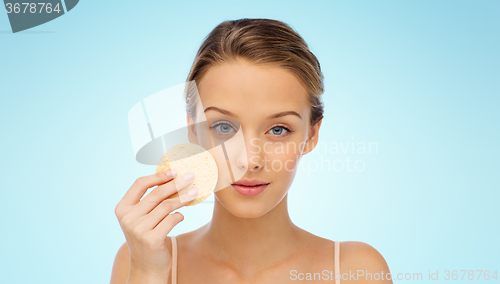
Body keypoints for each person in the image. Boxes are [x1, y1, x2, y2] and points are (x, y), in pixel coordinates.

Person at [110, 18, 392, 284]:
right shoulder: (140, 259)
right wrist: (148, 273)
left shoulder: (356, 271)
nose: (249, 160)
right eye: (223, 127)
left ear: (311, 135)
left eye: (278, 130)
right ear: (193, 131)